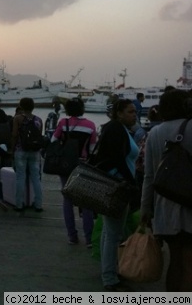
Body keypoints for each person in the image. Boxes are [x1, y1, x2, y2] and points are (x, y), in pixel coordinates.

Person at [141, 89, 192, 292]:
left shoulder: (154, 133)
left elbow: (149, 176)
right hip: (189, 206)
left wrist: (145, 209)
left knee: (175, 261)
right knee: (189, 263)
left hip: (165, 207)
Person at [91, 99, 138, 292]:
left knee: (109, 232)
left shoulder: (117, 128)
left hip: (115, 184)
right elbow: (118, 159)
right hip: (117, 186)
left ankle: (108, 271)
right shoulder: (116, 129)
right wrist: (130, 182)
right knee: (113, 234)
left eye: (135, 111)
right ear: (119, 113)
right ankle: (110, 278)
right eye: (130, 111)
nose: (134, 115)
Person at [51, 98, 97, 247]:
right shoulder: (90, 125)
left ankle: (72, 236)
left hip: (65, 165)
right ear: (82, 108)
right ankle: (89, 238)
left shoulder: (63, 123)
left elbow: (53, 141)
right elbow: (92, 149)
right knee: (86, 201)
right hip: (82, 165)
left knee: (67, 199)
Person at [9, 97, 43, 213]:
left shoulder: (17, 119)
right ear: (33, 107)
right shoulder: (39, 120)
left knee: (20, 177)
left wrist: (12, 150)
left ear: (21, 106)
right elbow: (39, 137)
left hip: (21, 150)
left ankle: (19, 204)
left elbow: (14, 135)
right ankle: (38, 204)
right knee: (36, 178)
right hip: (35, 152)